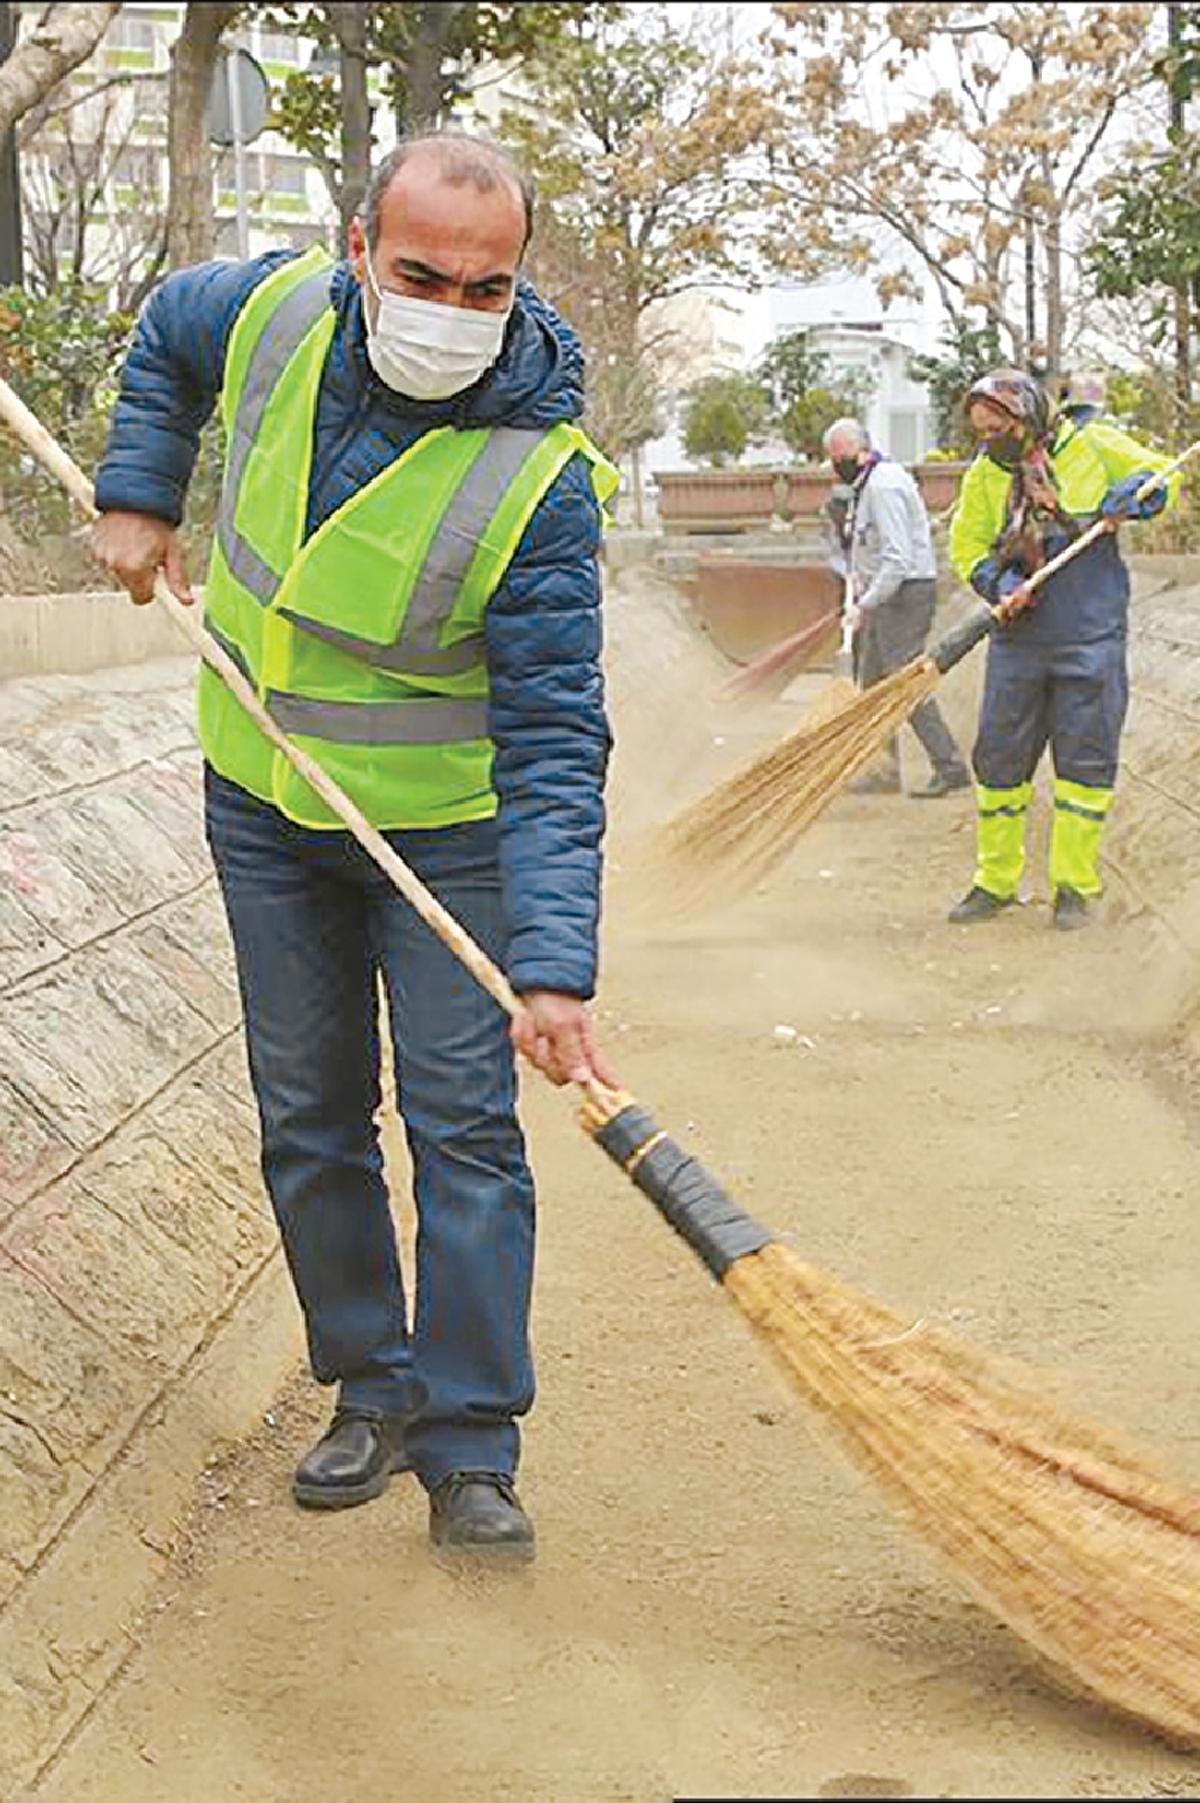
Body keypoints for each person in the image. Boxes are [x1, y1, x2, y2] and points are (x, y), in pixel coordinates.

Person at [90, 131, 620, 1561]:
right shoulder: (264, 316)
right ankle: (369, 1387)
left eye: (487, 286)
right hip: (263, 806)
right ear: (356, 249)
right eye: (422, 274)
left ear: (521, 281)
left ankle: (468, 1443)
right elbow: (161, 345)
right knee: (310, 1114)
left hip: (447, 840)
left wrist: (554, 967)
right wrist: (139, 491)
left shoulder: (541, 482)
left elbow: (560, 742)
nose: (451, 307)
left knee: (463, 1130)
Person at [947, 366, 1178, 930]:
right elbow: (966, 543)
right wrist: (998, 586)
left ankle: (1074, 887)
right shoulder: (985, 476)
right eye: (981, 433)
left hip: (1089, 634)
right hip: (1017, 642)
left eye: (998, 428)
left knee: (1083, 765)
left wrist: (1136, 495)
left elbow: (1158, 479)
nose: (990, 441)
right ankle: (994, 882)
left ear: (1027, 415)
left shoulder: (1093, 443)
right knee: (999, 761)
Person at [823, 418, 971, 798]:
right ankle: (882, 770)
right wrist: (858, 581)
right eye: (834, 460)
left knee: (903, 678)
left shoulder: (884, 486)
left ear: (863, 452)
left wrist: (865, 604)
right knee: (872, 679)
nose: (838, 466)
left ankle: (949, 765)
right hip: (887, 591)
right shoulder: (867, 484)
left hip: (905, 593)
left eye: (842, 458)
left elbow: (897, 558)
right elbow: (868, 546)